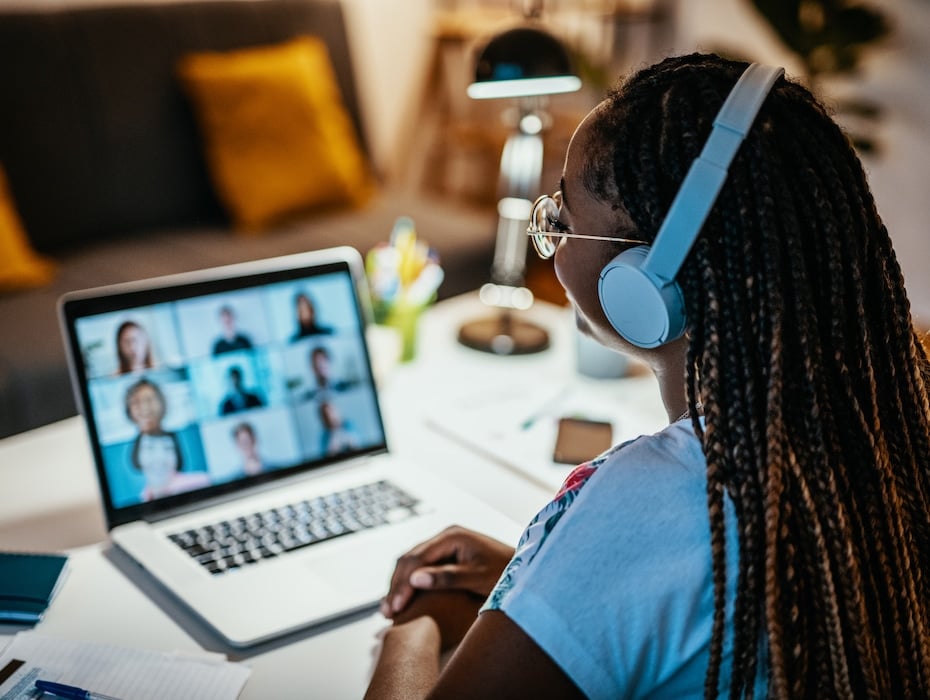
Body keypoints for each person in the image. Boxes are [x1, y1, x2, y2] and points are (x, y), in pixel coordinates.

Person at [365, 54, 930, 699]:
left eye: (561, 221)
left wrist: (410, 629)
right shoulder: (887, 436)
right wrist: (546, 591)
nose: (549, 240)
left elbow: (656, 549)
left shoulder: (660, 496)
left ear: (648, 280)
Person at [125, 378, 209, 501]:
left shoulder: (201, 482)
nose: (144, 407)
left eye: (149, 400)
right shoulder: (143, 498)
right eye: (137, 402)